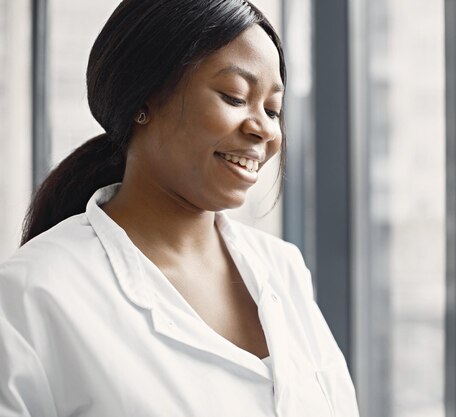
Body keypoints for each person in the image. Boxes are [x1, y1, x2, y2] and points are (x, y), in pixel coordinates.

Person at [0, 1, 360, 416]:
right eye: (234, 96)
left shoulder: (283, 270)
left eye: (273, 110)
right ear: (145, 98)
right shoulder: (33, 292)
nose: (263, 128)